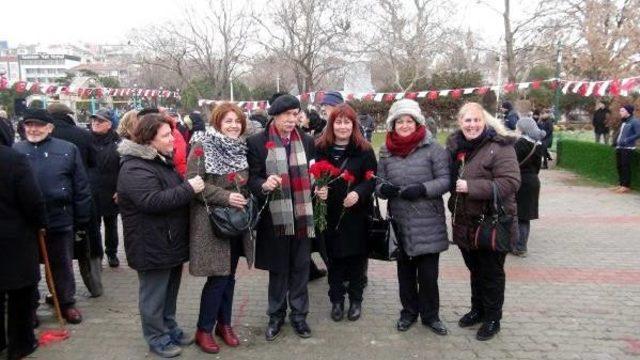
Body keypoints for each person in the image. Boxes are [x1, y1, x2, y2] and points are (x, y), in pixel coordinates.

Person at [117, 113, 205, 358]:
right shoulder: (135, 166)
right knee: (153, 295)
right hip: (150, 243)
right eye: (166, 136)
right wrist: (189, 188)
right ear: (149, 140)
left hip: (168, 241)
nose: (173, 140)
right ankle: (156, 337)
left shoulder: (159, 160)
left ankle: (169, 327)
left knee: (169, 291)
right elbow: (151, 201)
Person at [376, 99, 451, 335]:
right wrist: (382, 190)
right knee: (405, 275)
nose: (405, 125)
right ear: (393, 124)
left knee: (428, 276)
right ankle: (408, 312)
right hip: (400, 222)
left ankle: (431, 316)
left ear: (417, 122)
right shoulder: (386, 151)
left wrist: (422, 188)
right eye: (400, 121)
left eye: (409, 121)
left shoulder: (433, 149)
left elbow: (445, 180)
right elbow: (378, 182)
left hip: (427, 222)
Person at [447, 102, 520, 341]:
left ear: (485, 121)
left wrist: (472, 187)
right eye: (467, 120)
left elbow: (511, 182)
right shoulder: (456, 147)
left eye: (476, 120)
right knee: (474, 270)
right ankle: (477, 310)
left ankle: (493, 319)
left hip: (492, 222)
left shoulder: (500, 146)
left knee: (491, 273)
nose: (472, 125)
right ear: (460, 123)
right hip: (466, 221)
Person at [246, 94, 317, 341]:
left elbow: (312, 170)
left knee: (300, 268)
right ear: (275, 116)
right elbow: (251, 179)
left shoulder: (307, 141)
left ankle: (299, 316)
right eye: (286, 115)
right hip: (274, 218)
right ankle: (276, 316)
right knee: (278, 270)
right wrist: (264, 184)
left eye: (295, 114)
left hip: (302, 213)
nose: (291, 119)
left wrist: (317, 182)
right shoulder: (257, 142)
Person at [186, 103, 255, 354]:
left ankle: (223, 325)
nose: (234, 125)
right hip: (212, 224)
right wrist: (226, 197)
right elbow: (193, 183)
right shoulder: (202, 147)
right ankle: (203, 329)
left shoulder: (241, 147)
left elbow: (245, 182)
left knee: (229, 277)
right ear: (217, 123)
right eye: (228, 121)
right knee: (218, 278)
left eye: (237, 121)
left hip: (236, 223)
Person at [13, 109, 93, 325]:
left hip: (60, 218)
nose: (33, 129)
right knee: (28, 268)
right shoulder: (16, 150)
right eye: (29, 124)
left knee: (62, 265)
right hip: (26, 223)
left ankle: (66, 302)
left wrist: (81, 220)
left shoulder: (68, 149)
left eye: (38, 125)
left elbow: (81, 187)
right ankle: (30, 307)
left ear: (50, 127)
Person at [315, 103, 376, 322]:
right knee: (334, 261)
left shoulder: (365, 150)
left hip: (357, 215)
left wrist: (359, 193)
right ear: (331, 125)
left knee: (357, 261)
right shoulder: (321, 147)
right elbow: (314, 175)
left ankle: (356, 300)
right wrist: (318, 189)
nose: (342, 126)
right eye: (338, 122)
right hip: (331, 214)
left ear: (353, 124)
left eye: (346, 122)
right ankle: (337, 301)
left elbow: (371, 180)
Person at [0, 118, 47, 360]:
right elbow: (32, 199)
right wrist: (40, 222)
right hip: (14, 239)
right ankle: (21, 344)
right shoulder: (13, 159)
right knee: (20, 294)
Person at [47, 103, 103, 297]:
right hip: (83, 193)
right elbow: (94, 162)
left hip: (54, 200)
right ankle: (95, 287)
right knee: (88, 245)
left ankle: (59, 293)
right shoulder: (83, 134)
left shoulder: (47, 137)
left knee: (57, 251)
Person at [89, 109, 121, 267]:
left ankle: (112, 253)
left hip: (111, 190)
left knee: (111, 224)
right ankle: (96, 255)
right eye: (94, 120)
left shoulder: (118, 142)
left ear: (109, 124)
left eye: (100, 121)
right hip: (91, 190)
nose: (95, 123)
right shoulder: (86, 140)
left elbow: (123, 168)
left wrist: (120, 189)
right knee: (93, 226)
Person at [513, 110, 546, 257]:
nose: (516, 129)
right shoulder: (538, 145)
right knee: (525, 217)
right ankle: (521, 246)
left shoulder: (520, 144)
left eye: (518, 127)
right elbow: (538, 167)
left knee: (517, 215)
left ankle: (518, 246)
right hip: (533, 181)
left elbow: (511, 164)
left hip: (520, 181)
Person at [612, 104, 640, 194]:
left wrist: (627, 140)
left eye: (622, 111)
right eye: (620, 111)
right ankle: (621, 184)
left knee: (625, 166)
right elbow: (620, 133)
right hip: (619, 147)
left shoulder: (635, 121)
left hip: (628, 148)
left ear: (628, 112)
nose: (620, 112)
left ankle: (626, 186)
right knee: (619, 166)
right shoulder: (624, 121)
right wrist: (615, 141)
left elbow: (638, 133)